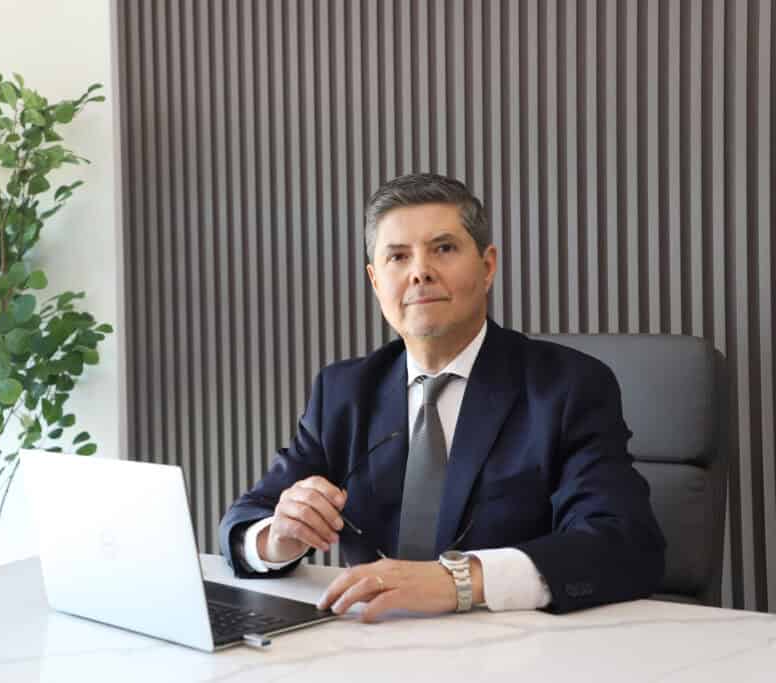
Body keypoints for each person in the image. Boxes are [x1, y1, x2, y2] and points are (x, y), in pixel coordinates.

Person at [219, 173, 665, 620]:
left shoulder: (568, 386)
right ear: (376, 282)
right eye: (397, 256)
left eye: (444, 249)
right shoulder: (345, 390)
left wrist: (461, 581)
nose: (420, 271)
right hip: (372, 647)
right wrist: (276, 538)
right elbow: (243, 522)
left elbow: (623, 543)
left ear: (488, 266)